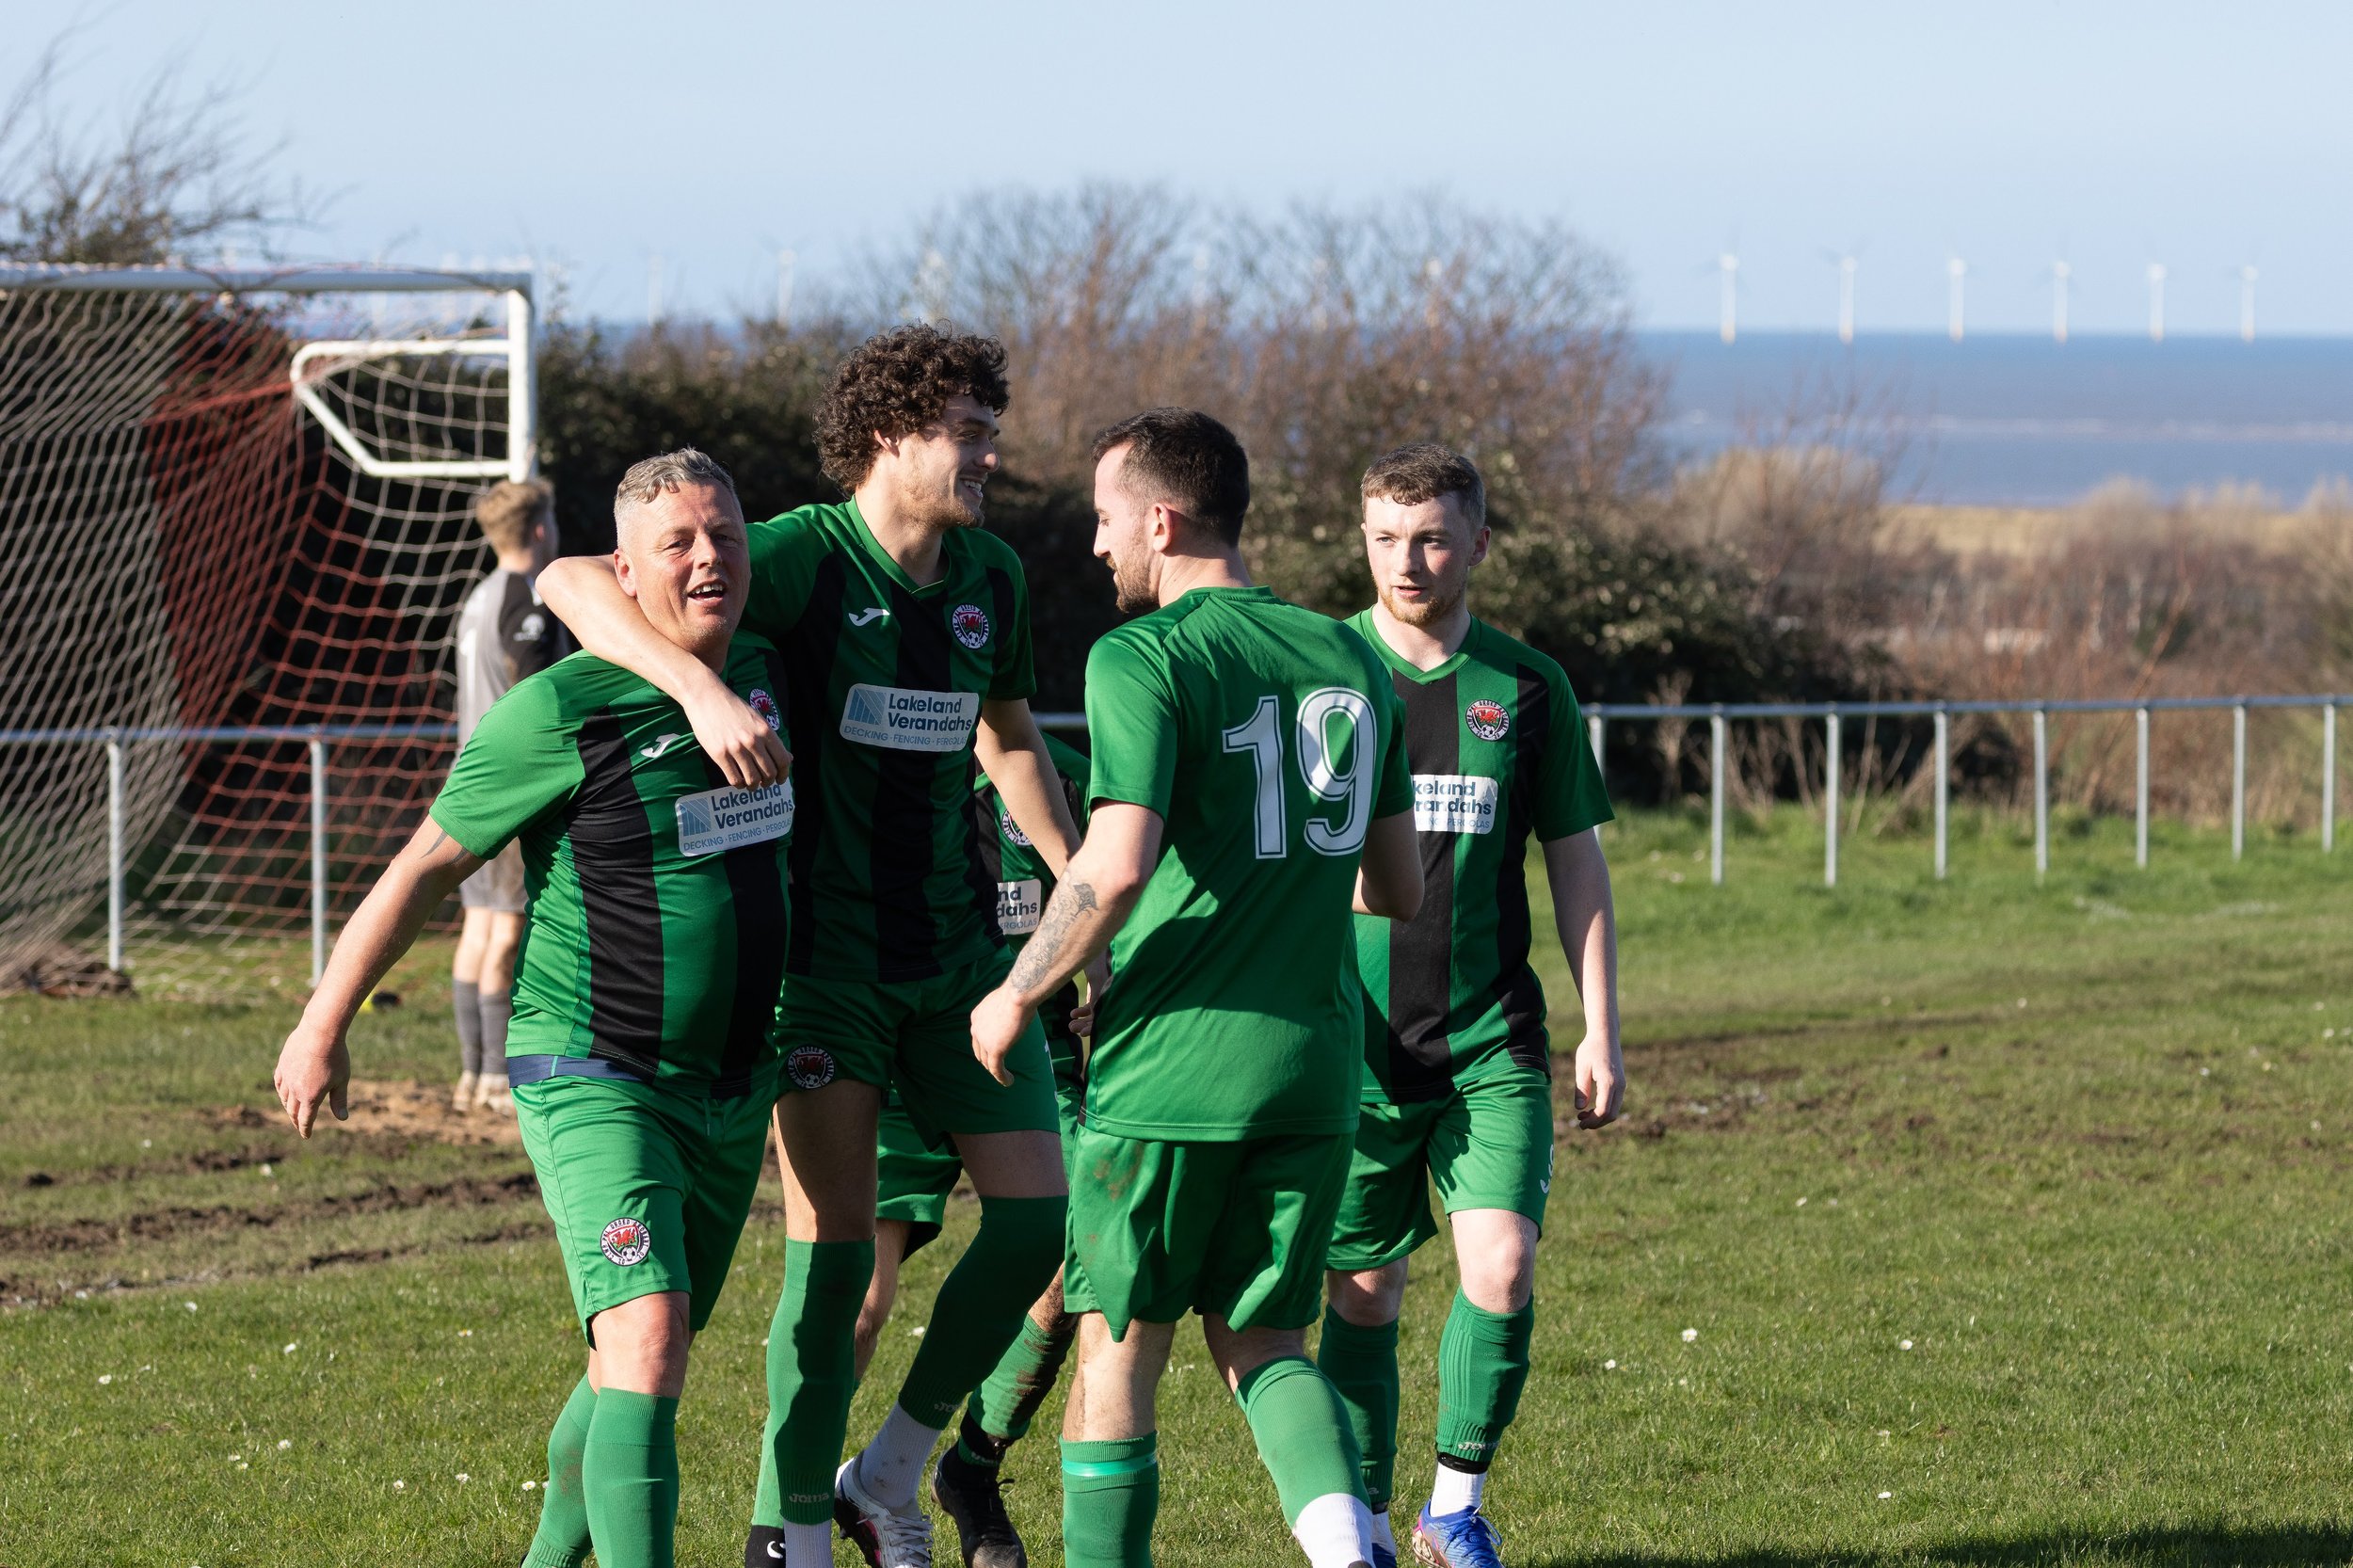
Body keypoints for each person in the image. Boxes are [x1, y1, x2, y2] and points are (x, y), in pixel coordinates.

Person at [537, 326, 1081, 1568]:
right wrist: (699, 690)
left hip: (958, 963)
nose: (992, 450)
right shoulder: (792, 557)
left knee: (1038, 1222)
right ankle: (787, 1530)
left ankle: (885, 1468)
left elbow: (1006, 739)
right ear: (891, 439)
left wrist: (1077, 881)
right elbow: (574, 581)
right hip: (824, 972)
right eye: (969, 428)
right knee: (834, 1257)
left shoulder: (990, 575)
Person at [274, 449, 794, 1568]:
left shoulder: (768, 661)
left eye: (726, 537)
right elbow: (418, 870)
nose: (710, 559)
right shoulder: (560, 710)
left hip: (730, 1082)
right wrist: (323, 1022)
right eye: (678, 543)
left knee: (632, 1356)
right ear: (628, 565)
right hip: (593, 1069)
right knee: (649, 1341)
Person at [968, 408, 1425, 1568]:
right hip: (1314, 1067)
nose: (1094, 544)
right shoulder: (1353, 654)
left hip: (1172, 1067)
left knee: (1119, 1348)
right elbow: (1397, 888)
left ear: (1161, 521)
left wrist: (1017, 992)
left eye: (1105, 517)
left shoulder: (1144, 655)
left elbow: (1112, 864)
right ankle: (1345, 1550)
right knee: (1269, 1339)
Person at [1317, 443, 1624, 1568]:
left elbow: (1576, 862)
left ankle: (1454, 1508)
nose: (1409, 559)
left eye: (1434, 536)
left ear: (1479, 544)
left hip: (1493, 1039)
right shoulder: (1316, 669)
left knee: (1498, 1264)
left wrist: (1601, 1024)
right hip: (1347, 1050)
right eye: (1388, 537)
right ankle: (1356, 1531)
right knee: (1363, 1291)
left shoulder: (1528, 686)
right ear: (1363, 541)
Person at [857, 732, 1093, 1568]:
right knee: (857, 1303)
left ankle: (970, 1470)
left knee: (1075, 1257)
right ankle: (799, 1510)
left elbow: (1113, 897)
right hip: (897, 1050)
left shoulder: (1063, 775)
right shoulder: (879, 766)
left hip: (1041, 1061)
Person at [448, 476, 566, 1112]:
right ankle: (496, 1076)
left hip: (468, 784)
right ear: (542, 529)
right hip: (512, 789)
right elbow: (537, 698)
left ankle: (471, 1073)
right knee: (507, 931)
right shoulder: (529, 601)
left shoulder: (478, 598)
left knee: (477, 927)